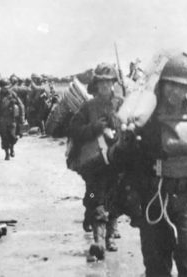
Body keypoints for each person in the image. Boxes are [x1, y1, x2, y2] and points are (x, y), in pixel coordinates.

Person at [108, 53, 187, 276]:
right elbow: (117, 159)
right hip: (154, 196)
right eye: (171, 85)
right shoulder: (146, 117)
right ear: (162, 84)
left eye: (183, 87)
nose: (176, 92)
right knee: (156, 264)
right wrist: (125, 142)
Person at [68, 63, 123, 261]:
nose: (105, 86)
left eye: (108, 82)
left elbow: (132, 127)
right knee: (94, 197)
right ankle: (98, 240)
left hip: (117, 161)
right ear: (96, 84)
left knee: (115, 199)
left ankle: (110, 236)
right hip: (94, 164)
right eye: (101, 82)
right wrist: (94, 128)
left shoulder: (121, 104)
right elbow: (74, 130)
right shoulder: (88, 107)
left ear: (114, 84)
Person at [0, 78, 25, 160]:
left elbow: (21, 105)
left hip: (12, 119)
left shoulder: (13, 94)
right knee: (4, 137)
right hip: (1, 119)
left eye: (7, 87)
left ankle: (12, 148)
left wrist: (22, 118)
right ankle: (7, 153)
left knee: (13, 136)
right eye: (4, 87)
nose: (6, 89)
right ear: (1, 87)